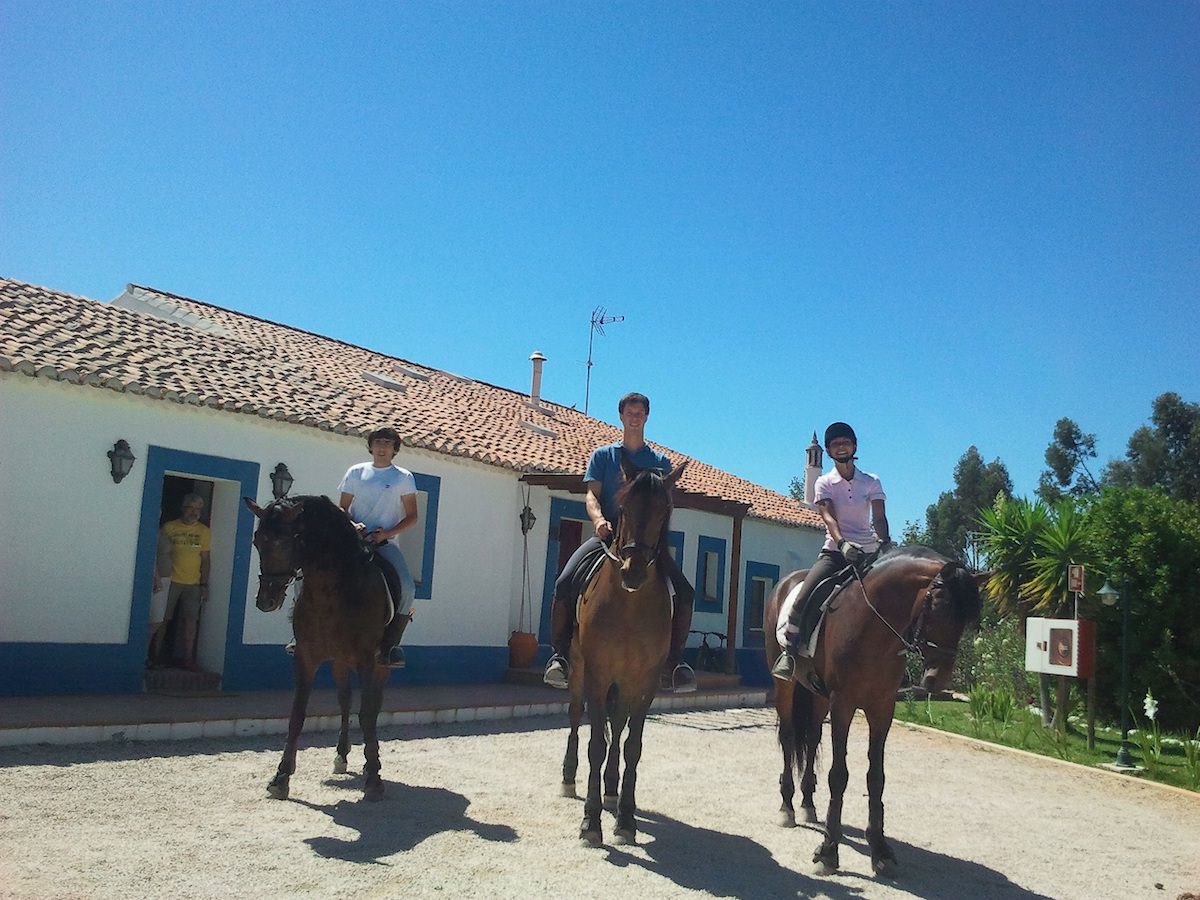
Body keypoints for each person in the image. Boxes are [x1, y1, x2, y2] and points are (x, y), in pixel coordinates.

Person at [543, 392, 697, 693]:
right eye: (630, 413)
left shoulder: (660, 462)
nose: (635, 417)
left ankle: (674, 663)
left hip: (647, 545)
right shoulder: (603, 457)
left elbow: (664, 505)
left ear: (647, 417)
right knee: (564, 582)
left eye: (640, 413)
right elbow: (592, 495)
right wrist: (599, 520)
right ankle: (560, 656)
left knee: (686, 592)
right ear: (621, 417)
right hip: (608, 536)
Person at [772, 422, 892, 688]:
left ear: (854, 446)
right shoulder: (824, 483)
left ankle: (899, 658)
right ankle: (789, 654)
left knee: (896, 597)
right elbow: (828, 517)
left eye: (845, 442)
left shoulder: (871, 481)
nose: (841, 447)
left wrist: (884, 541)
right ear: (827, 451)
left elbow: (879, 517)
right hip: (836, 552)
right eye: (835, 444)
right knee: (804, 595)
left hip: (868, 553)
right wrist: (842, 544)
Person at [338, 425, 419, 668]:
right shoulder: (355, 472)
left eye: (387, 443)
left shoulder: (403, 477)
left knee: (407, 588)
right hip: (353, 541)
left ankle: (391, 645)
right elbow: (342, 508)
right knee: (308, 571)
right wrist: (352, 525)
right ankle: (300, 635)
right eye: (378, 442)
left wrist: (387, 534)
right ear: (370, 446)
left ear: (395, 449)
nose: (382, 447)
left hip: (385, 544)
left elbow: (412, 516)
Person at [159, 493, 212, 670]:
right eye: (191, 507)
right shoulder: (169, 527)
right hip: (170, 581)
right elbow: (159, 552)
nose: (194, 512)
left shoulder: (204, 531)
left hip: (193, 584)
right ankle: (155, 655)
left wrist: (204, 584)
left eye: (198, 509)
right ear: (183, 508)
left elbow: (206, 559)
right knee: (162, 620)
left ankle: (188, 659)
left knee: (191, 621)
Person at [146, 528, 174, 668]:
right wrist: (156, 577)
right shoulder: (153, 533)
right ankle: (142, 656)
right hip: (158, 580)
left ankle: (145, 656)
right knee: (155, 621)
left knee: (157, 620)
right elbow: (151, 555)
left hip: (166, 579)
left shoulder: (163, 532)